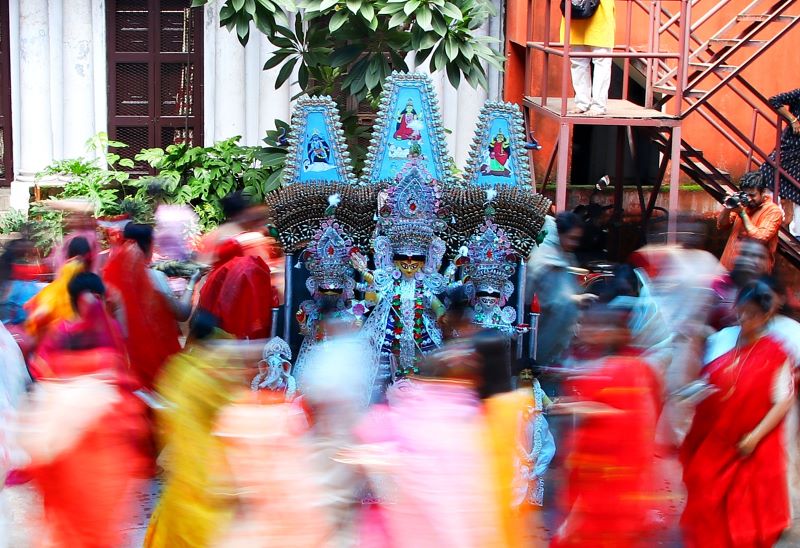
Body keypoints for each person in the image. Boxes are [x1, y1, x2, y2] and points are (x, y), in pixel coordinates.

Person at [17, 273, 149, 548]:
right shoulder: (109, 335)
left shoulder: (57, 337)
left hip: (66, 486)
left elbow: (39, 447)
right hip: (101, 485)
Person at [681, 280, 793, 547]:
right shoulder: (723, 338)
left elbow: (783, 401)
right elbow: (707, 381)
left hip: (750, 445)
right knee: (707, 496)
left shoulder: (776, 352)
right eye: (741, 311)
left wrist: (755, 436)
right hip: (715, 439)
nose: (744, 318)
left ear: (767, 315)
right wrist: (692, 392)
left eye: (752, 314)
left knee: (745, 510)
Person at [550, 303, 662, 547]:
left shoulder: (629, 370)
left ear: (614, 332)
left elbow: (631, 418)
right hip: (601, 475)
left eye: (595, 326)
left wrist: (582, 408)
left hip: (612, 479)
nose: (586, 331)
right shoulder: (623, 368)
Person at [144, 312, 242, 547]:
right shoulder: (216, 372)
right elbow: (233, 413)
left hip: (185, 462)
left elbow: (165, 415)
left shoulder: (179, 368)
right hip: (214, 464)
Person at [103, 223, 199, 389]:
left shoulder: (110, 277)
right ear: (149, 246)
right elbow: (182, 313)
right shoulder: (155, 278)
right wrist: (192, 283)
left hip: (124, 365)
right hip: (159, 365)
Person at [528, 212, 594, 366]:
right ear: (560, 234)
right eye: (572, 238)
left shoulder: (559, 252)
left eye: (577, 239)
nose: (574, 244)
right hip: (543, 334)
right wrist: (576, 300)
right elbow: (560, 303)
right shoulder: (549, 259)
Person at [717, 172, 783, 273]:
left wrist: (743, 214)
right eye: (745, 195)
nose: (748, 199)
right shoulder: (742, 204)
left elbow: (760, 238)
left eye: (752, 195)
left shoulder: (773, 211)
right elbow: (721, 225)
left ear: (763, 192)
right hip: (728, 268)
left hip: (753, 274)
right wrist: (728, 207)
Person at [561, 0, 615, 115]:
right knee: (578, 60)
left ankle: (598, 105)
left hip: (600, 12)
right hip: (576, 10)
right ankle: (582, 102)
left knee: (601, 59)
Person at [760, 88, 800, 236]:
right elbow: (774, 100)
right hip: (790, 144)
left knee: (797, 189)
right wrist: (793, 119)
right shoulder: (798, 94)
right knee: (767, 172)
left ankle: (797, 233)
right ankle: (772, 217)